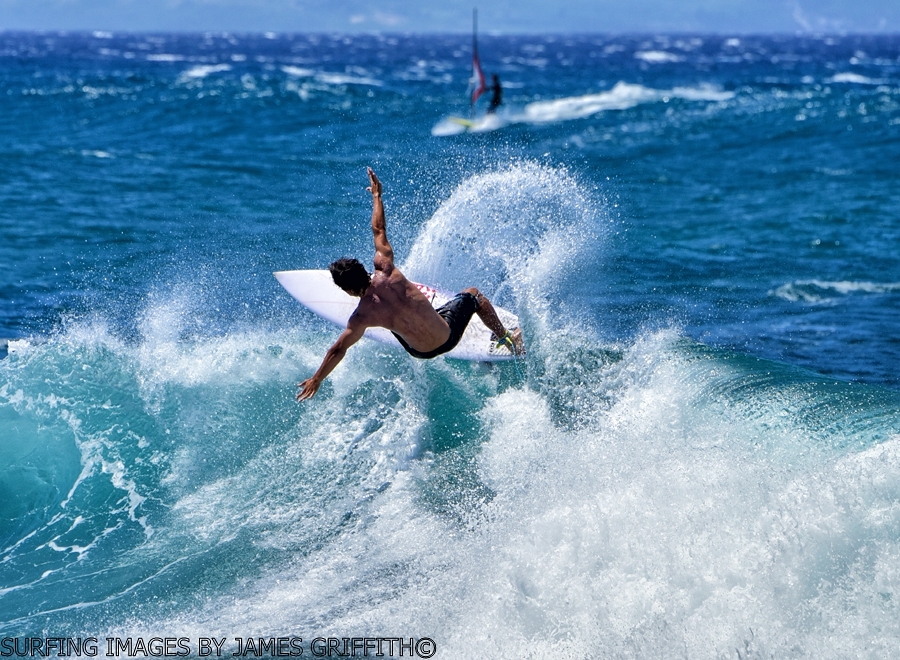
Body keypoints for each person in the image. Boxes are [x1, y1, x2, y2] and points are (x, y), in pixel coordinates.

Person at [297, 167, 523, 401]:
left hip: (419, 352)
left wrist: (317, 378)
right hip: (447, 337)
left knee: (389, 321)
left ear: (347, 290)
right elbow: (379, 229)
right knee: (474, 295)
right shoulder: (385, 267)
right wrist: (377, 196)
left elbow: (337, 349)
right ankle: (506, 337)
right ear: (363, 269)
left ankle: (401, 321)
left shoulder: (361, 317)